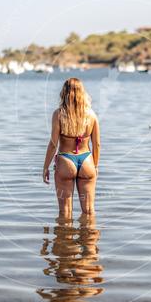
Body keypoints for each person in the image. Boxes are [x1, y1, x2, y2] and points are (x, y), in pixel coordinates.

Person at [42, 78, 100, 218]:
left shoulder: (59, 114)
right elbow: (97, 144)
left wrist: (45, 167)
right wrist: (95, 166)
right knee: (89, 211)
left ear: (64, 93)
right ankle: (89, 238)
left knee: (65, 212)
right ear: (82, 93)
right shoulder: (91, 115)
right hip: (86, 160)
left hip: (65, 161)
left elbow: (53, 144)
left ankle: (64, 238)